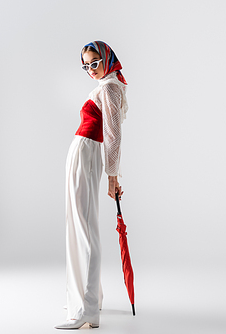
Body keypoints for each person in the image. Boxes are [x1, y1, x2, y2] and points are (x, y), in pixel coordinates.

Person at [55, 40, 128, 330]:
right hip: (83, 152)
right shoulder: (109, 85)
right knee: (80, 222)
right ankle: (92, 297)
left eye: (95, 63)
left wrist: (113, 177)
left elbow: (114, 136)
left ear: (107, 58)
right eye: (85, 65)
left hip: (86, 153)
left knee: (84, 227)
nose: (90, 70)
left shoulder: (110, 87)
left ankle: (86, 308)